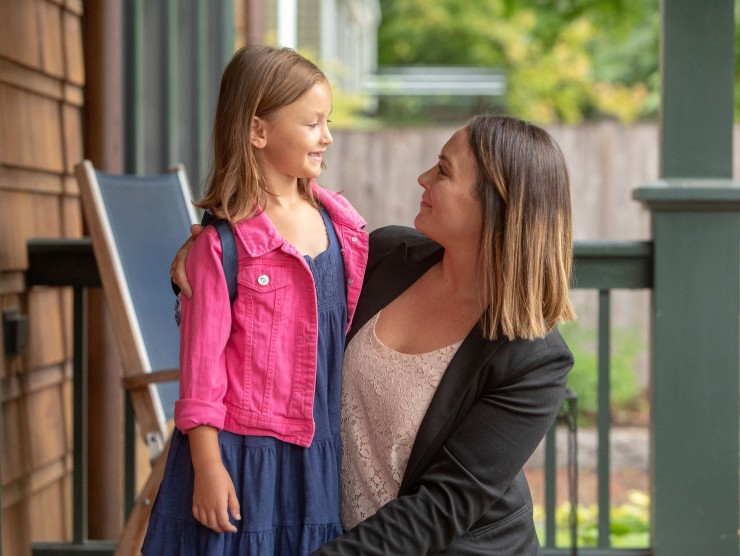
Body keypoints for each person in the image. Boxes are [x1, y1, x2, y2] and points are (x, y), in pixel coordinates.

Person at [172, 113, 576, 554]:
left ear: (496, 204)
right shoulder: (385, 256)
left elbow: (442, 507)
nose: (423, 178)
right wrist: (208, 259)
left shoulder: (535, 360)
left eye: (443, 171)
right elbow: (269, 305)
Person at [142, 45, 368, 556]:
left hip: (318, 457)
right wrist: (207, 467)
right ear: (258, 131)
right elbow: (201, 373)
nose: (327, 137)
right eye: (312, 124)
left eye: (326, 122)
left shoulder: (345, 231)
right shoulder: (219, 249)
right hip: (240, 461)